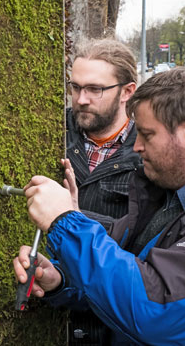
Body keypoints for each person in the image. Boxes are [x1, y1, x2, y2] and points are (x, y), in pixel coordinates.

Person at [14, 67, 185, 345]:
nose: (137, 147)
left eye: (146, 134)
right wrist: (61, 281)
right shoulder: (169, 199)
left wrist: (66, 221)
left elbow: (157, 311)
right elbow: (122, 279)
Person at [62, 39, 140, 343]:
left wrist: (70, 216)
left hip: (112, 321)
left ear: (127, 91)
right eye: (75, 87)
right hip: (53, 307)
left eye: (95, 89)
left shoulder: (148, 155)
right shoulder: (53, 133)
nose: (81, 99)